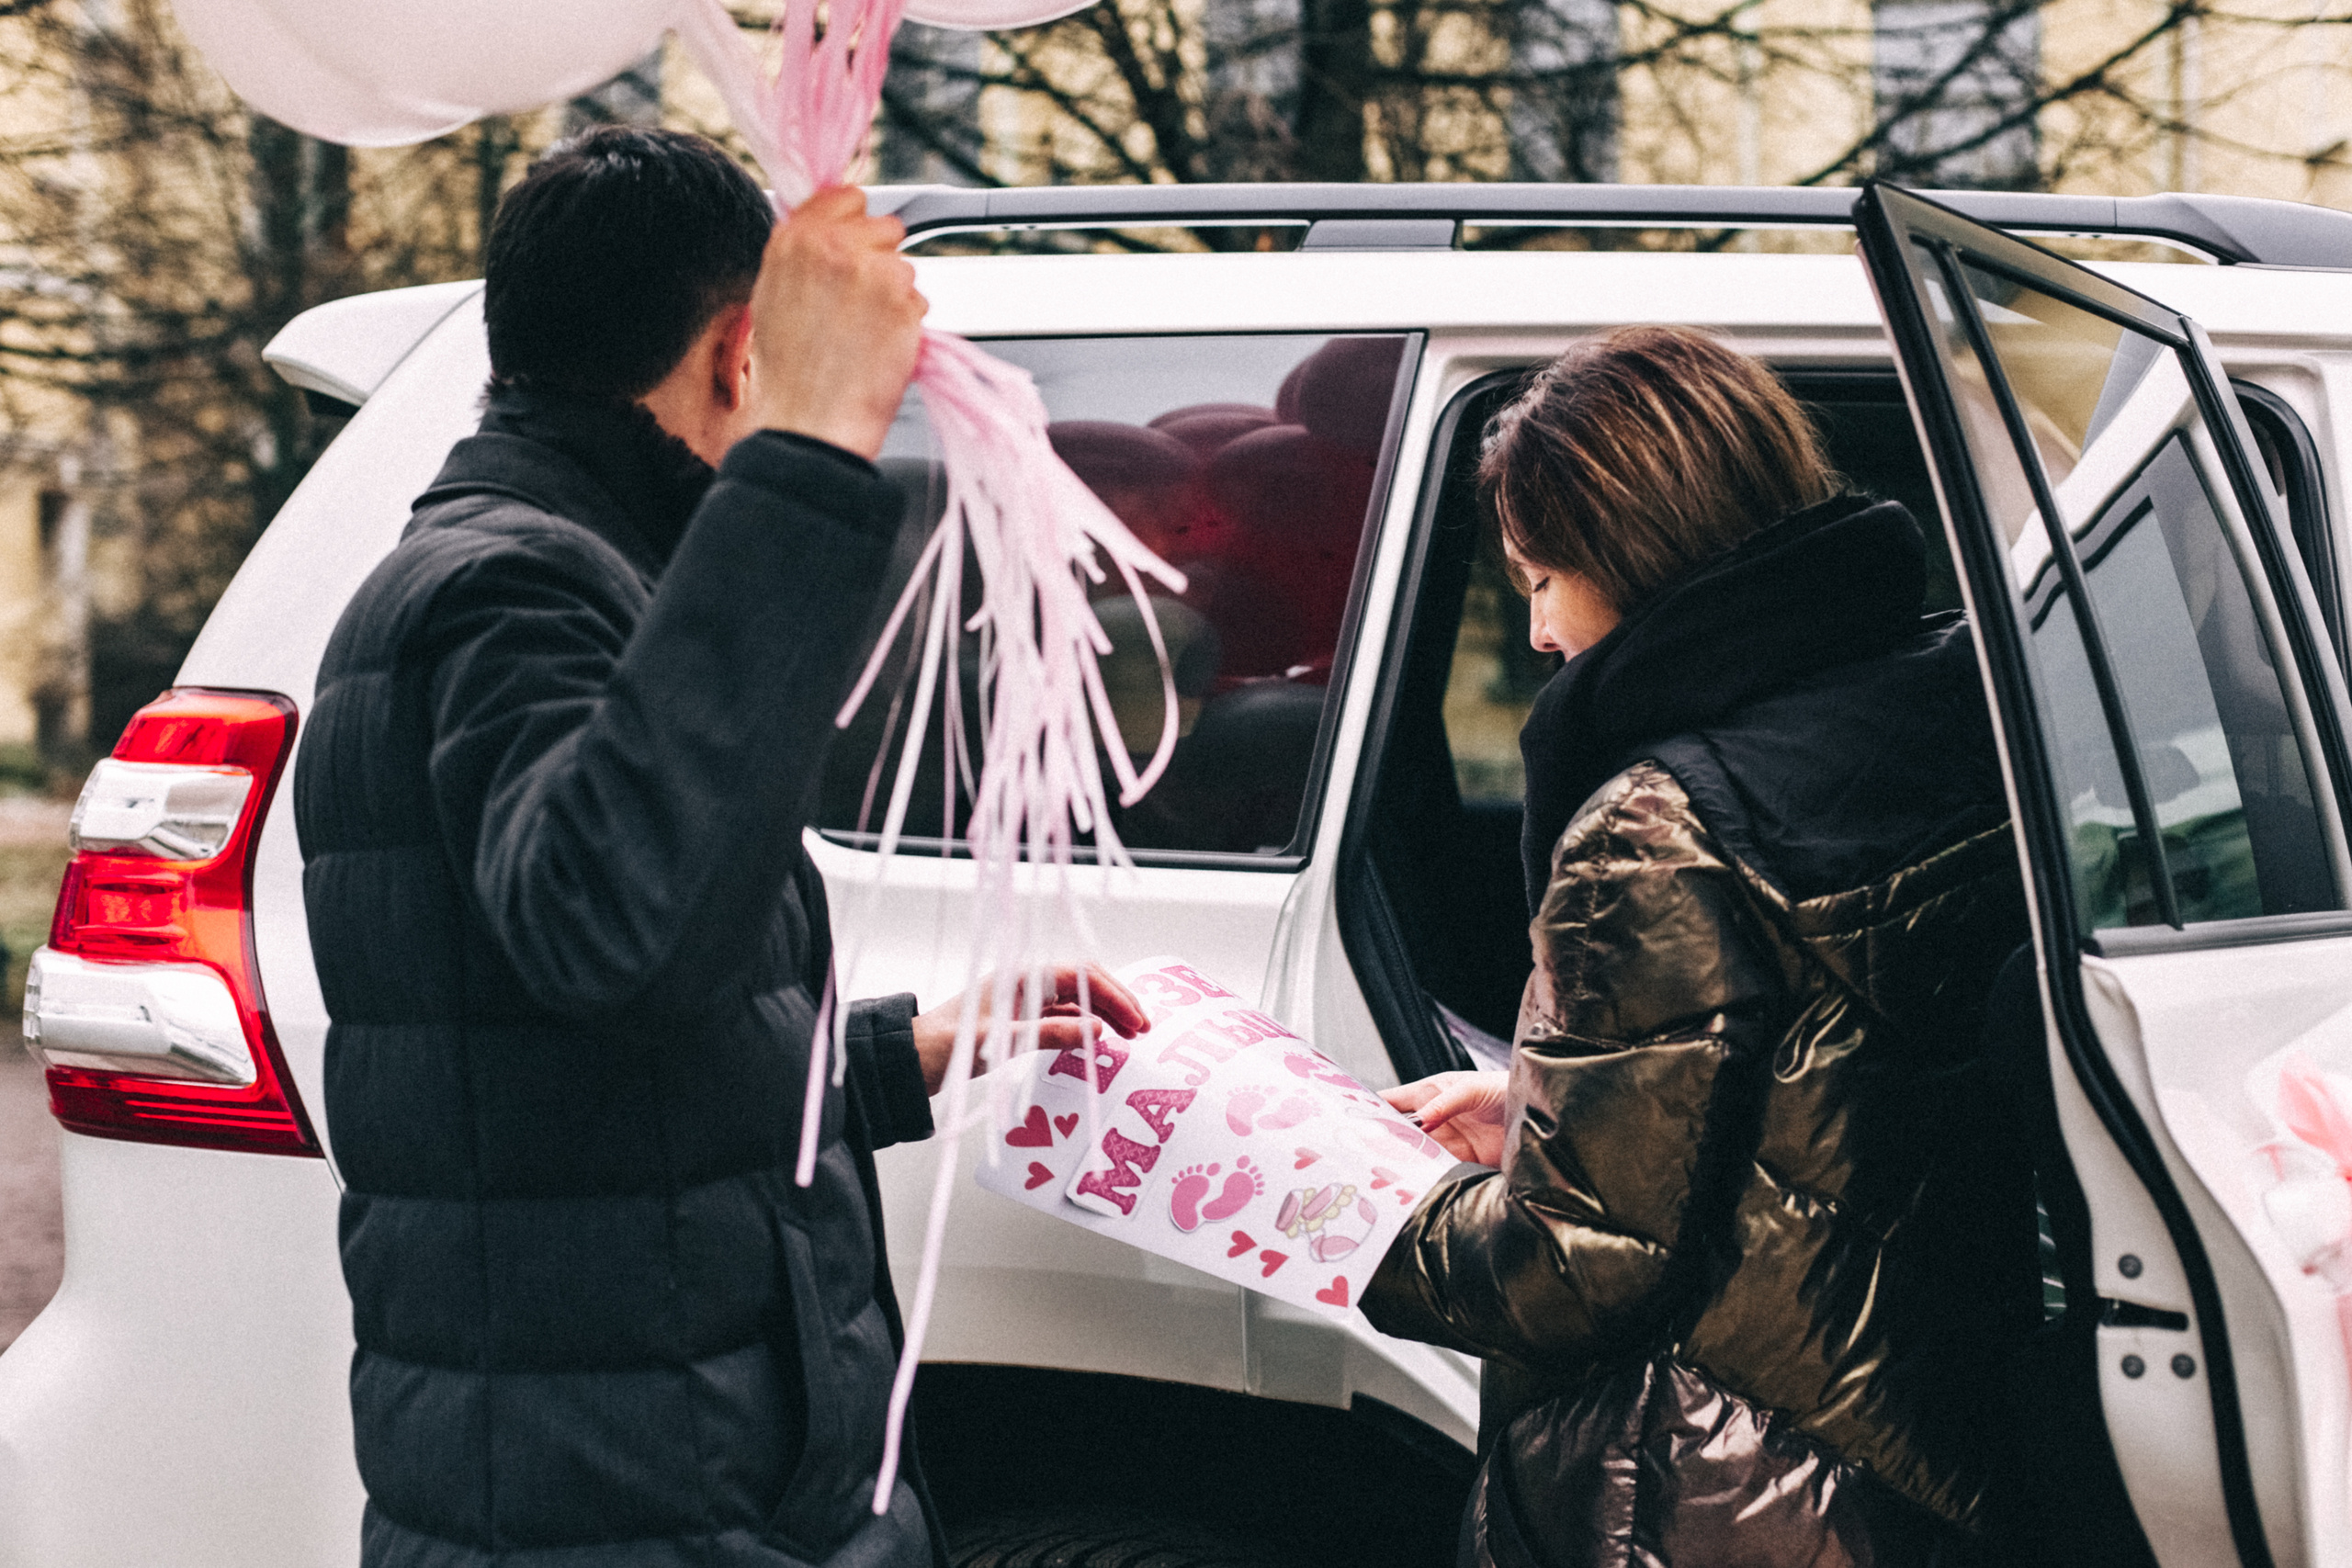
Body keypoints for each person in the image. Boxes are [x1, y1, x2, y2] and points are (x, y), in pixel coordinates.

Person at [295, 127, 1146, 1568]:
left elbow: (586, 1064)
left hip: (647, 1472)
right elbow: (616, 934)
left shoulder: (562, 570)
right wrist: (810, 461)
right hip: (619, 1501)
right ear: (745, 352)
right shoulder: (509, 588)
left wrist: (904, 1050)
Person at [1363, 326, 2040, 1567]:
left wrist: (1353, 1211)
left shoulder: (1652, 825)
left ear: (1633, 549)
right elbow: (1829, 1084)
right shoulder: (1953, 701)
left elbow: (1573, 1270)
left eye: (1542, 581)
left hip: (1701, 1484)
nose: (1540, 634)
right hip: (1922, 1432)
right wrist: (1549, 1111)